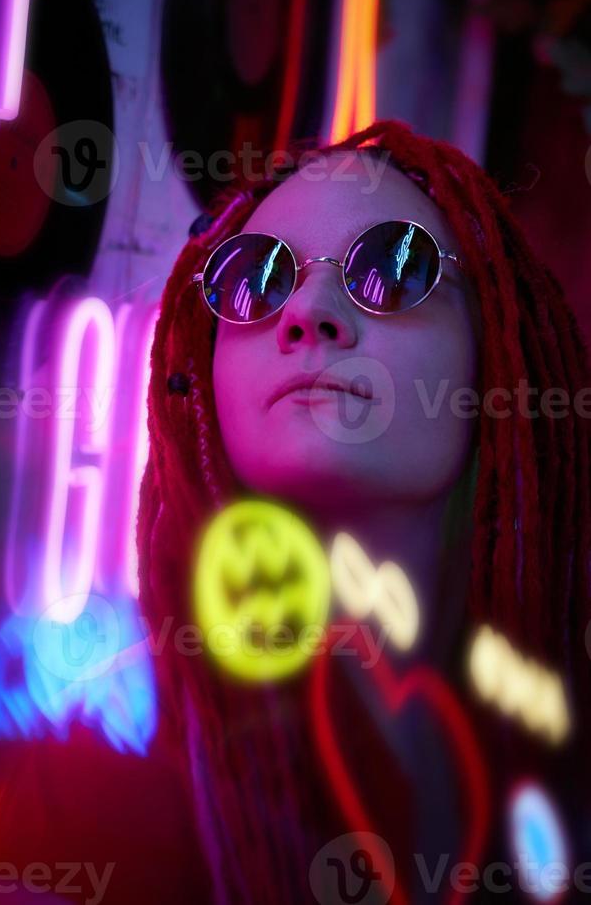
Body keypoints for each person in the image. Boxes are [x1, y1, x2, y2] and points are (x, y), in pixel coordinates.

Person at [138, 119, 591, 904]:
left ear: (498, 348)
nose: (306, 316)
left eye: (391, 266)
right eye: (254, 279)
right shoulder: (103, 759)